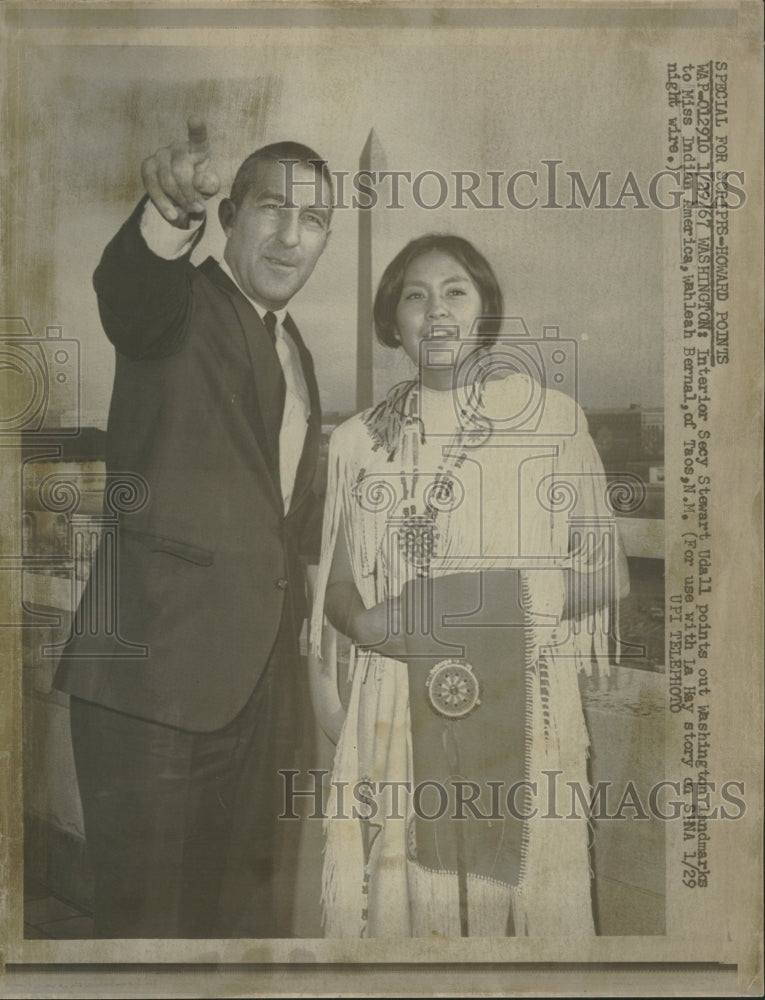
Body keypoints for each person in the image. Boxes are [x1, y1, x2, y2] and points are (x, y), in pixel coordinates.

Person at [54, 116, 333, 938]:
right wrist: (165, 212)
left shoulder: (297, 352)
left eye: (313, 220)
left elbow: (288, 518)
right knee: (148, 935)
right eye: (272, 210)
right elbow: (130, 293)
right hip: (155, 686)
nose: (290, 236)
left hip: (260, 694)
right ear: (229, 216)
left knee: (239, 933)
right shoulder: (176, 305)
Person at [309, 234, 629, 938]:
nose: (436, 311)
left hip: (524, 699)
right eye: (414, 296)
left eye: (455, 290)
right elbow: (335, 584)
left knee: (522, 901)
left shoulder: (549, 418)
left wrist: (452, 619)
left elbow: (606, 573)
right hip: (395, 699)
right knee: (403, 903)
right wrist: (362, 625)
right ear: (392, 321)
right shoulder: (360, 440)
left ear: (484, 310)